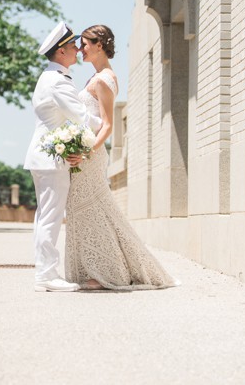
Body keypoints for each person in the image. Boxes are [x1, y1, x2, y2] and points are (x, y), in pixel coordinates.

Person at [64, 24, 178, 291]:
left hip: (90, 156)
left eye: (84, 44)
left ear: (99, 45)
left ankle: (108, 272)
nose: (80, 50)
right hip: (85, 154)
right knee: (90, 212)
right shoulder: (99, 77)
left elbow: (107, 125)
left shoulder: (103, 79)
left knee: (92, 212)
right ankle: (95, 267)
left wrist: (86, 152)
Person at [23, 22, 102, 292]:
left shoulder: (51, 77)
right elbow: (80, 117)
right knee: (50, 217)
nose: (76, 50)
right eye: (71, 46)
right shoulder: (57, 81)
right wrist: (105, 124)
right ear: (60, 52)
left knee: (45, 216)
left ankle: (44, 273)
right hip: (51, 158)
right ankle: (46, 276)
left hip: (44, 157)